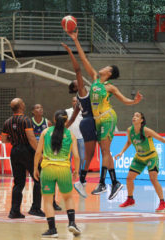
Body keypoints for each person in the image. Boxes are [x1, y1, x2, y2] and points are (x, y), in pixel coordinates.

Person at [67, 30, 143, 200]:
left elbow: (125, 101)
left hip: (108, 117)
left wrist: (135, 101)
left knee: (106, 151)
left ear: (109, 73)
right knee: (104, 152)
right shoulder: (94, 79)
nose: (103, 67)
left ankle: (114, 182)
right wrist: (76, 40)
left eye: (107, 67)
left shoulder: (110, 87)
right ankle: (109, 183)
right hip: (97, 120)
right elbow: (84, 59)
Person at [33, 110, 81, 238]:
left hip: (48, 169)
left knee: (48, 201)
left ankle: (52, 229)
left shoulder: (45, 132)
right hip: (64, 169)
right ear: (66, 120)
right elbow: (76, 156)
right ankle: (72, 223)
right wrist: (76, 170)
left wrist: (35, 169)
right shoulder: (71, 135)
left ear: (54, 120)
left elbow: (38, 153)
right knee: (68, 198)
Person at [115, 112, 165, 212]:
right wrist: (121, 152)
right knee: (129, 178)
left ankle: (163, 203)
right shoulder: (130, 130)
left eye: (137, 116)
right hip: (139, 157)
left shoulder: (146, 130)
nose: (134, 117)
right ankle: (130, 199)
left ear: (141, 120)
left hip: (151, 156)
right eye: (133, 115)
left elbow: (159, 138)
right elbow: (129, 142)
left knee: (153, 179)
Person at [62, 42, 98, 198]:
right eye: (77, 82)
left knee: (89, 156)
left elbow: (71, 120)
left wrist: (60, 128)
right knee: (94, 153)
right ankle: (88, 181)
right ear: (77, 87)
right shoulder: (82, 91)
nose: (79, 81)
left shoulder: (78, 100)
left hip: (85, 122)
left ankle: (82, 181)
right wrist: (70, 52)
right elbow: (78, 70)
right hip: (90, 121)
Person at [1, 98, 45, 218]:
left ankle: (14, 211)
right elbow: (31, 138)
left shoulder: (7, 122)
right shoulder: (26, 120)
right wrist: (39, 153)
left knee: (18, 183)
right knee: (38, 179)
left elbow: (3, 140)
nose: (24, 104)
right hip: (27, 150)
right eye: (23, 103)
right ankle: (35, 208)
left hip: (15, 151)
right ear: (20, 106)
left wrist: (15, 139)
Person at [31, 103, 62, 211]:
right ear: (33, 111)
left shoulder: (47, 122)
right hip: (35, 153)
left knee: (51, 178)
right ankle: (35, 205)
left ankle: (53, 202)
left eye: (41, 107)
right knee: (37, 180)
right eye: (37, 107)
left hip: (46, 154)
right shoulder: (29, 122)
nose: (40, 109)